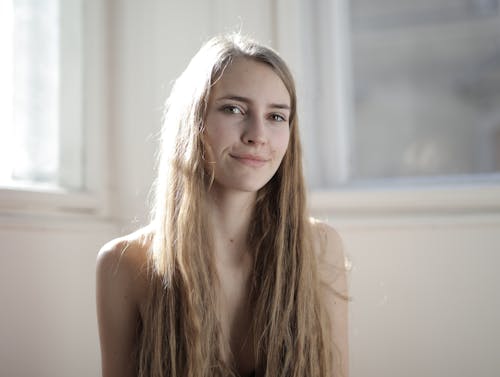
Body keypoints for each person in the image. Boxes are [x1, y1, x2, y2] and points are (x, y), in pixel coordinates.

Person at [96, 33, 348, 377]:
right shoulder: (124, 263)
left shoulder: (320, 248)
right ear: (194, 124)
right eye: (234, 109)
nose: (257, 134)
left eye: (276, 116)